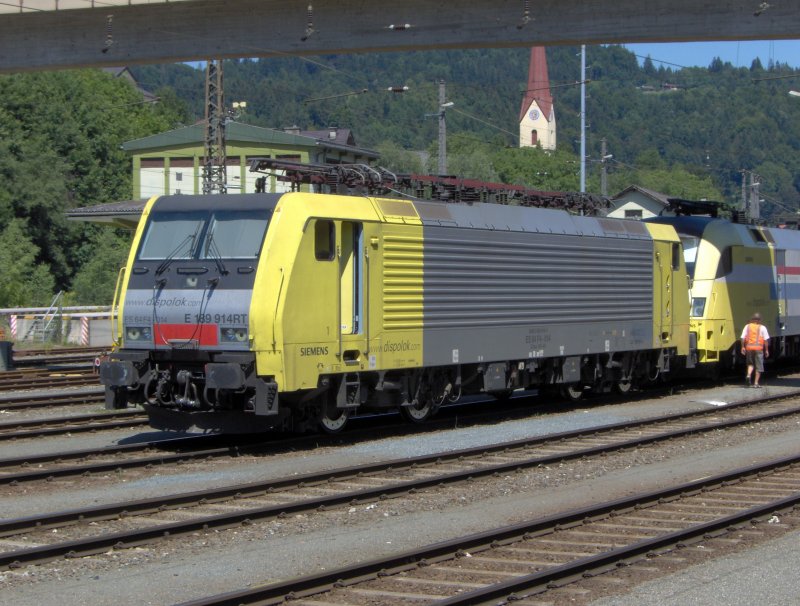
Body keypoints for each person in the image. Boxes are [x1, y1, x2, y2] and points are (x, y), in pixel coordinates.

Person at [741, 312, 770, 387]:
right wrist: (766, 350)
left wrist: (742, 347)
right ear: (759, 320)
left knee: (750, 364)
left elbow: (742, 338)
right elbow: (766, 340)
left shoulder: (747, 326)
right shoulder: (762, 327)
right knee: (759, 366)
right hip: (758, 349)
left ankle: (748, 375)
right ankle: (756, 383)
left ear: (752, 319)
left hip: (749, 348)